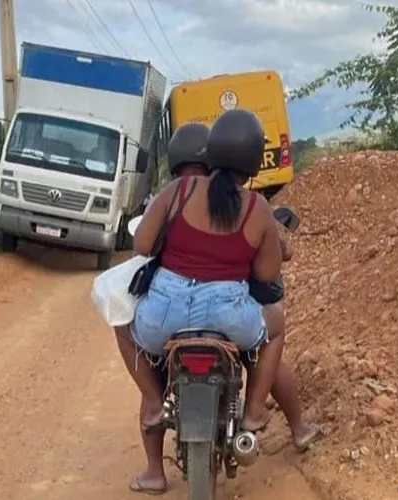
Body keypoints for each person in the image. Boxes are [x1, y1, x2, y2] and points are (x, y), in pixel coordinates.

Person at [115, 116, 320, 495]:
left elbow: (142, 245)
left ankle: (153, 402)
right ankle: (255, 411)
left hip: (166, 312)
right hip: (229, 315)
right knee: (274, 328)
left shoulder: (179, 190)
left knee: (121, 323)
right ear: (255, 162)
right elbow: (267, 273)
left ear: (210, 154)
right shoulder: (257, 207)